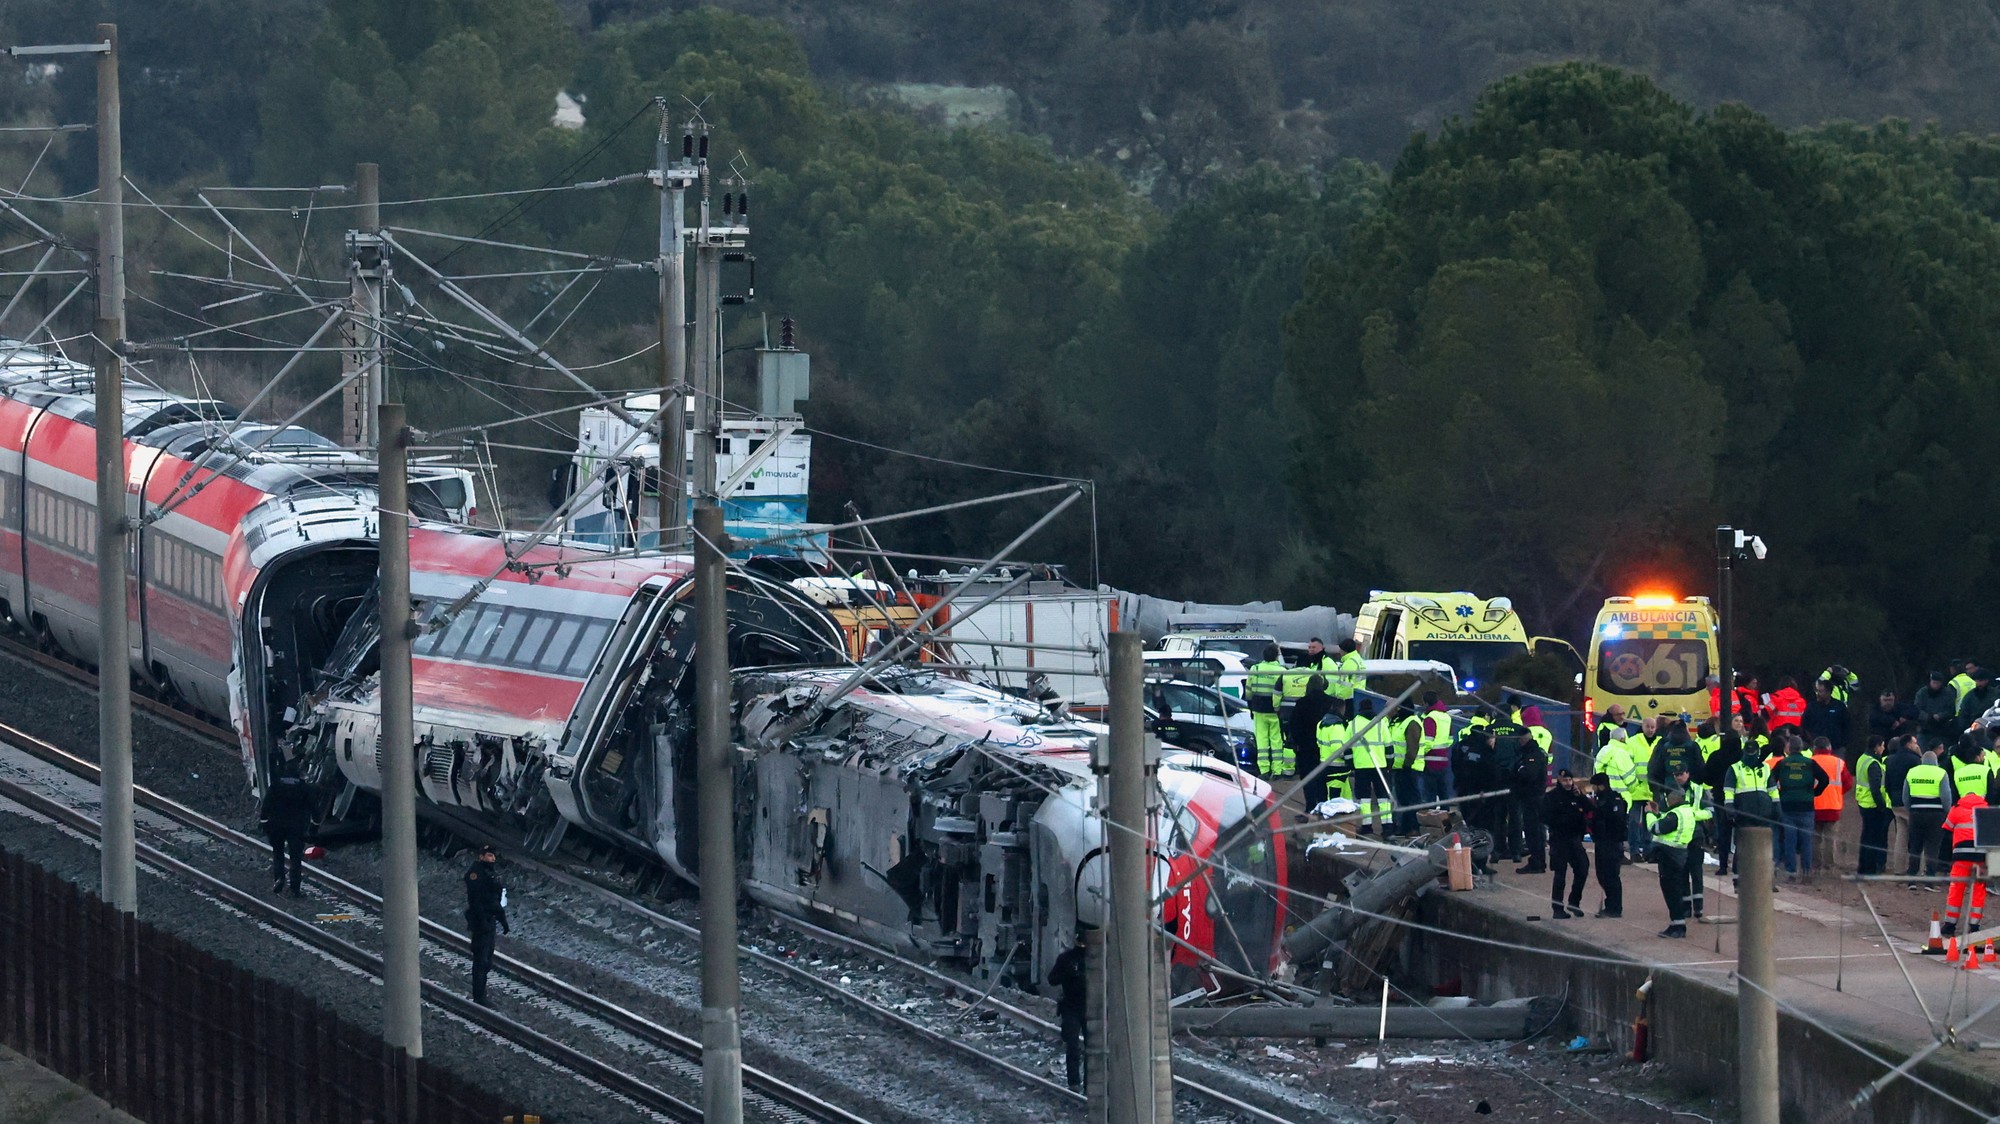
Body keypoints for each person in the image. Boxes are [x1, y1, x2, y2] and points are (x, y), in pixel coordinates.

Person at [1771, 738, 1831, 882]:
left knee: (1789, 841)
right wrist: (1815, 792)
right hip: (1806, 805)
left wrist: (1780, 793)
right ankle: (1806, 873)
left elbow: (1771, 781)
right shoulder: (1810, 763)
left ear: (1789, 747)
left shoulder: (1782, 763)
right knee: (1806, 841)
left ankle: (1791, 872)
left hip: (1787, 805)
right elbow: (1825, 779)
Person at [258, 760, 317, 896]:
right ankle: (295, 888)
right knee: (295, 857)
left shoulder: (276, 785)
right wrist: (314, 826)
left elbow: (266, 806)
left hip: (276, 826)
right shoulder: (303, 787)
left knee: (278, 853)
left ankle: (279, 878)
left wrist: (264, 823)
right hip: (296, 827)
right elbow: (315, 809)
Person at [1646, 788, 1697, 938]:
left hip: (1669, 856)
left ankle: (1677, 926)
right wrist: (1658, 814)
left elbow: (1656, 828)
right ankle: (1677, 924)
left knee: (1671, 892)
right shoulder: (1686, 811)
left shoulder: (1675, 814)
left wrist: (1649, 814)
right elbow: (1669, 823)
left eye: (1668, 798)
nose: (1666, 801)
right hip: (1679, 854)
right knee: (1675, 890)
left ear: (1675, 798)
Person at [464, 843, 511, 1006]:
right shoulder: (475, 874)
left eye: (493, 855)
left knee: (487, 960)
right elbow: (475, 900)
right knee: (481, 960)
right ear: (481, 856)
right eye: (489, 855)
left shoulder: (490, 873)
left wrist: (502, 921)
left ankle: (481, 994)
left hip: (490, 922)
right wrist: (483, 921)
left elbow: (495, 901)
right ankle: (479, 996)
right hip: (480, 922)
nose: (493, 858)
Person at [1542, 770, 1591, 918]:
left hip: (1574, 839)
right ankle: (1557, 909)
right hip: (1559, 840)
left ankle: (1574, 902)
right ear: (1559, 780)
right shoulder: (1552, 797)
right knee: (1560, 874)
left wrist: (1581, 796)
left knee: (1583, 868)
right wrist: (1563, 820)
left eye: (1570, 780)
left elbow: (1590, 809)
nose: (1568, 783)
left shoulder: (1575, 795)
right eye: (1565, 780)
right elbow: (1544, 816)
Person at [1943, 789, 1992, 938]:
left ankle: (1950, 926)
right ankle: (1974, 926)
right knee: (1979, 890)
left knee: (1956, 888)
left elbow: (1947, 829)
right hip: (1981, 857)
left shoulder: (1956, 809)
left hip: (1961, 855)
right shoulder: (1987, 810)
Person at [1903, 749, 1953, 889]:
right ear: (1935, 761)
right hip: (1936, 815)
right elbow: (1946, 796)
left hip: (1916, 813)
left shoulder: (1912, 772)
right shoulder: (1941, 773)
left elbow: (1905, 796)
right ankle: (1929, 881)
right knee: (1932, 847)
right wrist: (1947, 812)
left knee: (1915, 846)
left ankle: (1912, 879)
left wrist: (1911, 809)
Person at [1048, 931, 1088, 1090]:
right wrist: (1068, 974)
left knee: (1092, 1049)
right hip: (1071, 1007)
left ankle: (1090, 1085)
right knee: (1073, 1046)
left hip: (1090, 1009)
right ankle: (1074, 1083)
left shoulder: (1097, 960)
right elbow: (1052, 979)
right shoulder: (1066, 959)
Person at [1809, 736, 1851, 873]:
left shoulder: (1809, 762)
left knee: (1815, 837)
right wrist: (1838, 792)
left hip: (1813, 805)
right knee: (1830, 838)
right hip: (1833, 805)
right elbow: (1848, 783)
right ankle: (1829, 865)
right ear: (1829, 748)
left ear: (1814, 749)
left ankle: (1815, 864)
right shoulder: (1839, 762)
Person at [1287, 673, 1333, 795]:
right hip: (1324, 747)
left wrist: (1296, 742)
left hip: (1305, 746)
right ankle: (1322, 804)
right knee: (1322, 777)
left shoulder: (1302, 703)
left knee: (1307, 777)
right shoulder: (1330, 702)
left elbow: (1294, 724)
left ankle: (1310, 806)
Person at [1854, 736, 1894, 875]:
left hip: (1863, 802)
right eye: (1882, 746)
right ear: (1876, 747)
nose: (1884, 748)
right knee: (1873, 838)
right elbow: (1876, 788)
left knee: (1866, 836)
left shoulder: (1862, 759)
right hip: (1873, 805)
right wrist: (1882, 806)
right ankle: (1870, 869)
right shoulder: (1874, 764)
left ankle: (1863, 866)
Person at [1245, 646, 1287, 777]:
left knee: (1262, 740)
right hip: (1275, 710)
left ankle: (1264, 770)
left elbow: (1248, 690)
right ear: (1276, 656)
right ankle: (1277, 770)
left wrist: (1250, 705)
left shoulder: (1255, 669)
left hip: (1259, 709)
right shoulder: (1282, 671)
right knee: (1277, 740)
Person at [1590, 773, 1628, 917]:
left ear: (1601, 785)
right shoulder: (1601, 799)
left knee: (1611, 875)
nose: (1593, 789)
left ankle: (1614, 907)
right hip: (1602, 841)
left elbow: (1615, 820)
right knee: (1602, 874)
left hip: (1611, 842)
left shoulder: (1613, 800)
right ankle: (1610, 903)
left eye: (1594, 786)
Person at [1624, 716, 1661, 861]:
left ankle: (1648, 851)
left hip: (1652, 790)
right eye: (1648, 727)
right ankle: (1634, 851)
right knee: (1633, 822)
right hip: (1636, 789)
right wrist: (1633, 784)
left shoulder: (1660, 742)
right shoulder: (1633, 742)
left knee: (1650, 823)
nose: (1651, 730)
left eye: (1653, 727)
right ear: (1643, 726)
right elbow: (1628, 764)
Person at [1419, 693, 1456, 804]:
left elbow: (1428, 742)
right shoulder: (1446, 717)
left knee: (1430, 794)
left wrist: (1420, 755)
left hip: (1430, 760)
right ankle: (1446, 818)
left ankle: (1431, 820)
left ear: (1426, 703)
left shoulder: (1430, 718)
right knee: (1443, 793)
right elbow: (1450, 740)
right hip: (1443, 760)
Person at [1914, 672, 1958, 748]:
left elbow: (1951, 711)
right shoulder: (1922, 693)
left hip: (1942, 730)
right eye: (1934, 683)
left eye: (1938, 683)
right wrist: (1928, 717)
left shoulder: (1947, 693)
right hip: (1925, 730)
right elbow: (1916, 710)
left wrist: (1940, 716)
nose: (1935, 685)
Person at [1802, 681, 1850, 749]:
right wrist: (1811, 740)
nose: (1818, 694)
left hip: (1836, 747)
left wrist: (1843, 742)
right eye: (1817, 691)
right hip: (1816, 747)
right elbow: (1805, 725)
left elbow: (1846, 726)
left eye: (1821, 691)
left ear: (1828, 692)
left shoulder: (1839, 706)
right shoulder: (1812, 707)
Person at [1329, 638, 1365, 718]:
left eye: (1340, 649)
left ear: (1344, 650)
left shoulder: (1350, 662)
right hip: (1356, 696)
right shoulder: (1357, 659)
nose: (1339, 652)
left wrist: (1340, 698)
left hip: (1348, 700)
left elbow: (1345, 684)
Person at [1957, 667, 2000, 734]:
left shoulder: (1995, 694)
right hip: (1973, 728)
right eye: (1977, 680)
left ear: (1987, 681)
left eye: (1981, 681)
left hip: (1993, 728)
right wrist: (1966, 728)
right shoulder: (1969, 696)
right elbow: (1963, 714)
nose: (1978, 683)